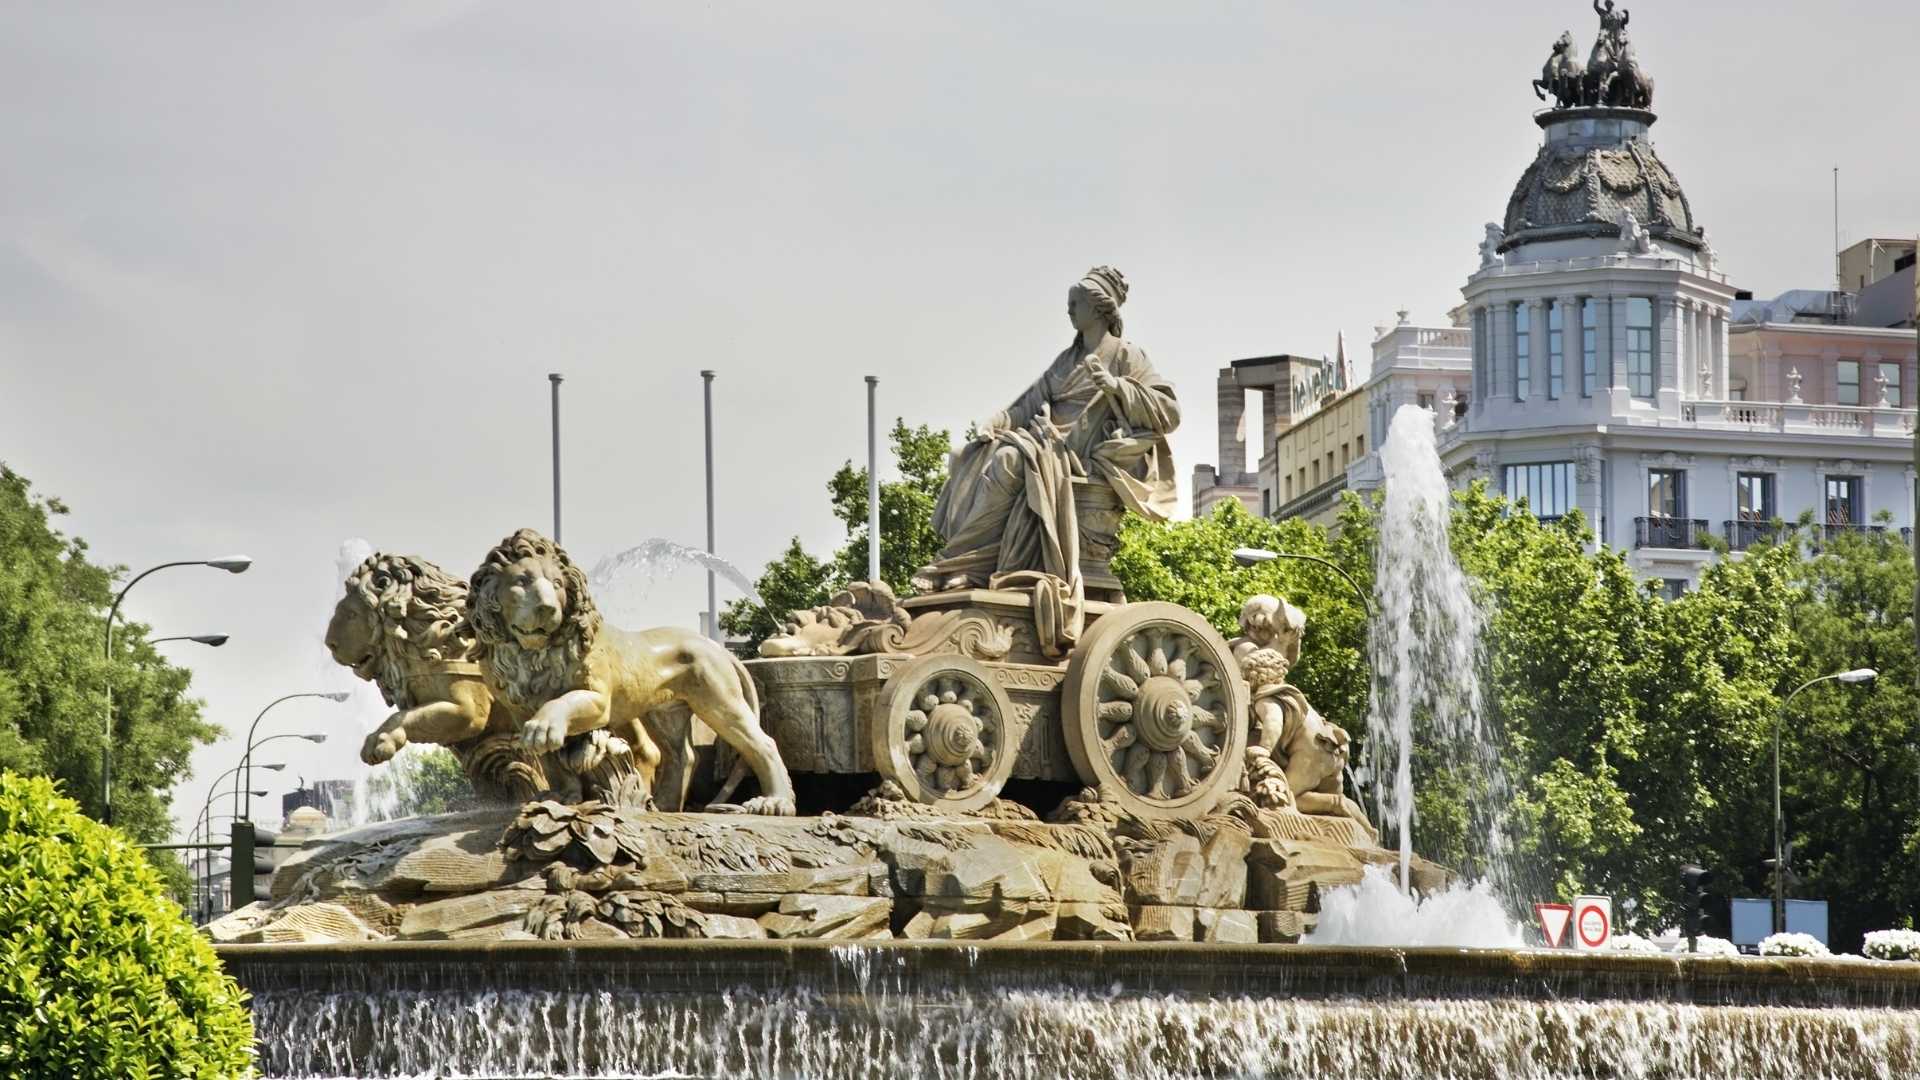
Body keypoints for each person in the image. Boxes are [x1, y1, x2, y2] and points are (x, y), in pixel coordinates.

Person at [914, 266, 1178, 600]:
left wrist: (1115, 386)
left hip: (1080, 453)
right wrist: (994, 421)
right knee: (965, 456)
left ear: (1097, 307)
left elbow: (1169, 411)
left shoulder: (1126, 355)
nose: (1068, 310)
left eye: (1075, 303)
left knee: (1008, 460)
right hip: (1047, 442)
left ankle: (962, 565)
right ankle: (967, 563)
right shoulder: (1066, 360)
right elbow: (1026, 406)